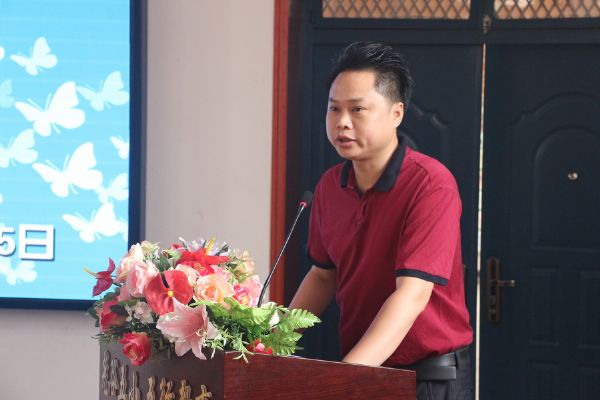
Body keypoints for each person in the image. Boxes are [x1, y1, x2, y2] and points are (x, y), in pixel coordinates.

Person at [288, 42, 474, 400]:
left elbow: (412, 294)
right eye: (334, 109)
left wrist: (346, 378)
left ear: (396, 113)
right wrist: (269, 342)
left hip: (428, 377)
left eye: (357, 109)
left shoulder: (431, 183)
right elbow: (323, 275)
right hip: (365, 368)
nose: (342, 122)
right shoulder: (329, 186)